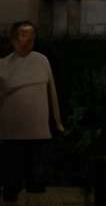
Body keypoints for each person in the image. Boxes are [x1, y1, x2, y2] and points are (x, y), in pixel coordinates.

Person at [0, 21, 60, 203]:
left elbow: (52, 93)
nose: (27, 41)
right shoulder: (2, 65)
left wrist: (57, 121)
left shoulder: (42, 61)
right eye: (22, 36)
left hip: (39, 131)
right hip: (10, 132)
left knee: (37, 181)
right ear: (13, 39)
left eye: (31, 37)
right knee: (11, 181)